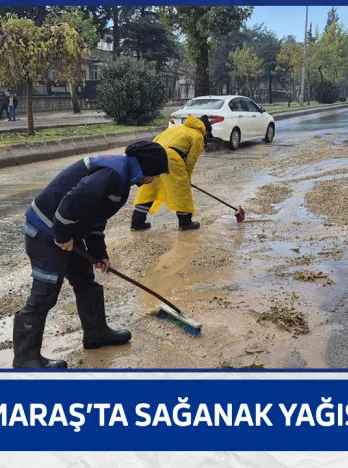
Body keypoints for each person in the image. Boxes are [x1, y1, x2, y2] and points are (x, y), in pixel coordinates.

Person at [13, 141, 170, 369]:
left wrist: (99, 254)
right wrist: (63, 236)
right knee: (45, 293)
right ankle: (26, 359)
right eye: (154, 175)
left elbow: (95, 219)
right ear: (146, 167)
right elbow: (71, 203)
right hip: (45, 231)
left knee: (86, 281)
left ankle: (96, 333)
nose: (153, 180)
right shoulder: (112, 174)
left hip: (65, 230)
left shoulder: (121, 178)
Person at [130, 114, 212, 231]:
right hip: (172, 157)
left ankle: (137, 222)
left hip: (154, 154)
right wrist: (186, 178)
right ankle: (185, 223)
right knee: (181, 190)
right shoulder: (198, 135)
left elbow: (156, 140)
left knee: (149, 188)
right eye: (208, 134)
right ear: (206, 130)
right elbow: (191, 161)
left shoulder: (175, 128)